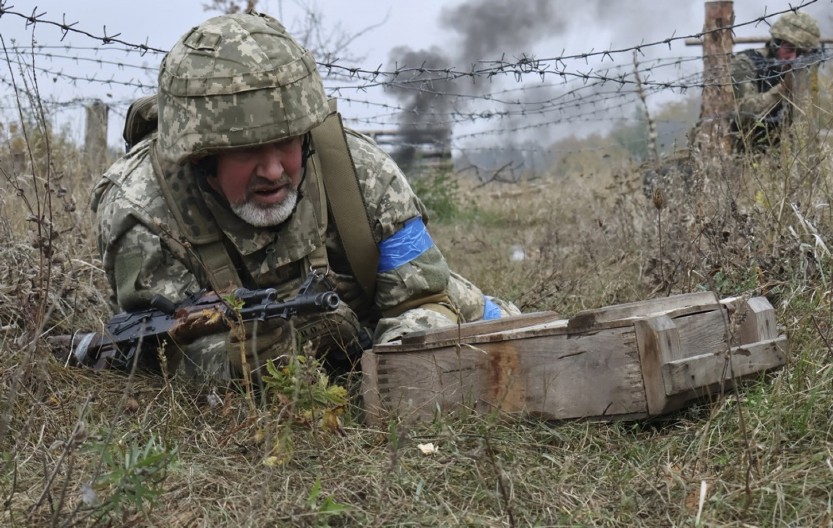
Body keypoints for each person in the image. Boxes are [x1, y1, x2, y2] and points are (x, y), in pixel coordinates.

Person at [90, 11, 520, 382]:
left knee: (488, 322)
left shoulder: (360, 173)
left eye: (287, 143)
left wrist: (394, 365)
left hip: (372, 325)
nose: (274, 171)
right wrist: (235, 364)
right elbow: (159, 353)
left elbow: (421, 298)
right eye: (247, 150)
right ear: (201, 156)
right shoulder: (142, 210)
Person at [729, 11, 821, 151]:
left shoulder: (802, 71)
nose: (793, 57)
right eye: (789, 48)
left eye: (802, 52)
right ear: (776, 42)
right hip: (740, 151)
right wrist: (783, 88)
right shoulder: (746, 63)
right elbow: (741, 116)